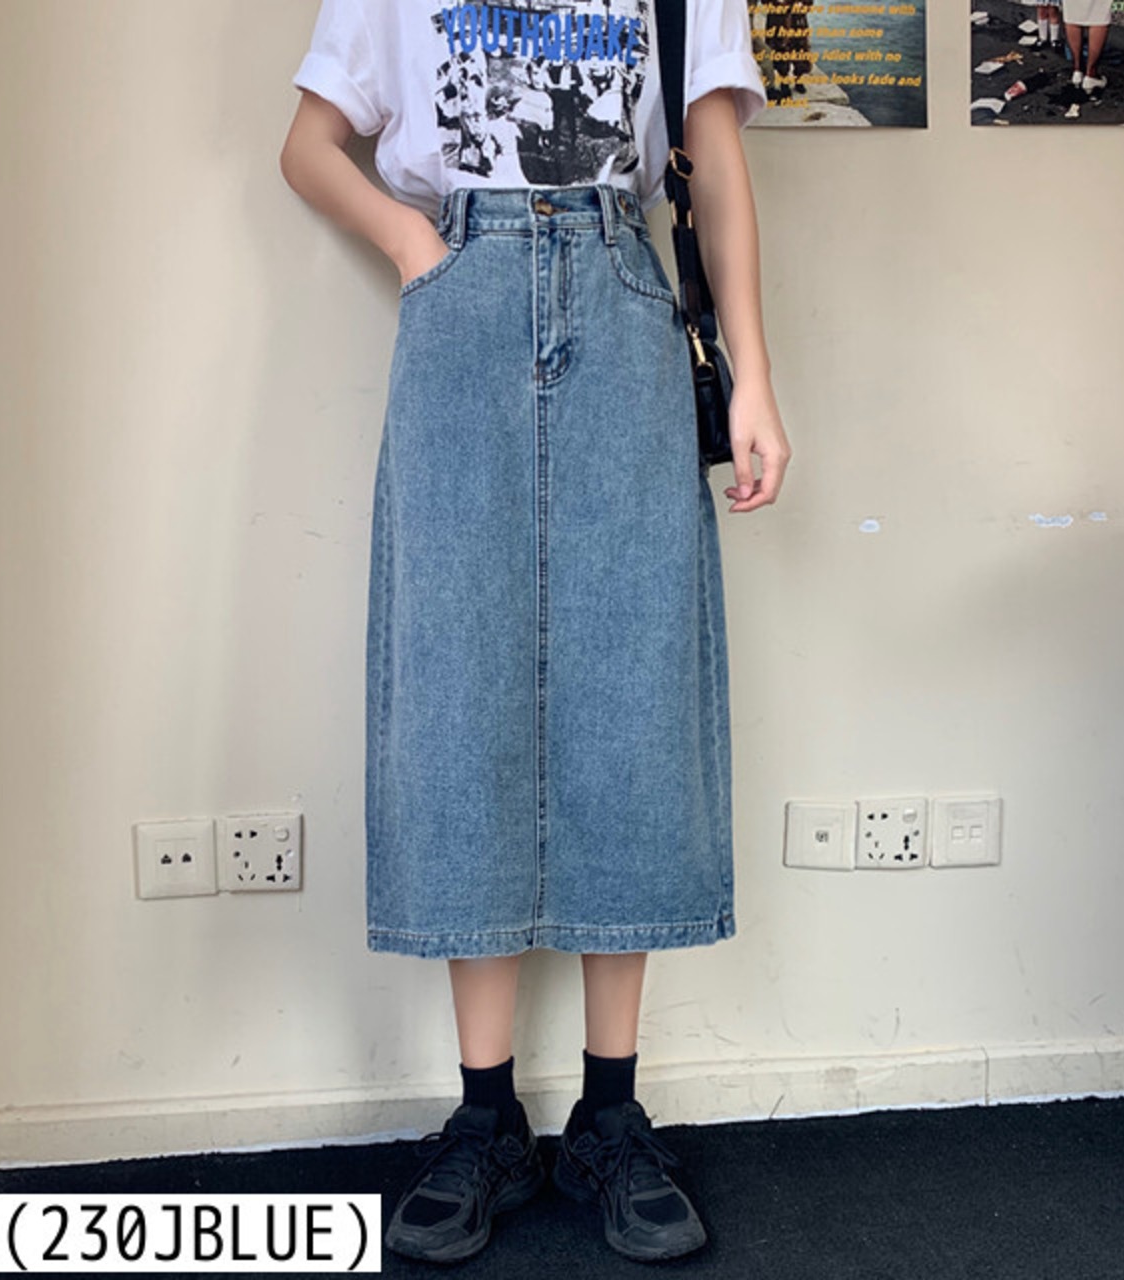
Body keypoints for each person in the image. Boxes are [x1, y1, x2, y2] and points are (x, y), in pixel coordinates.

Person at [280, 0, 790, 1264]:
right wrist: (414, 243)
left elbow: (713, 160)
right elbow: (306, 145)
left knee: (632, 685)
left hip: (625, 300)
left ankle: (611, 1115)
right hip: (460, 313)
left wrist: (754, 378)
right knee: (462, 692)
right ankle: (485, 1115)